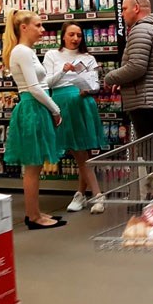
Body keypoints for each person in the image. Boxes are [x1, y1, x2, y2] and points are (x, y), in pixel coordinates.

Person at [2, 10, 66, 230]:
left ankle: (35, 212)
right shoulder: (22, 51)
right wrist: (55, 109)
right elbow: (34, 88)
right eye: (38, 25)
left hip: (35, 107)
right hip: (33, 108)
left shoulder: (25, 51)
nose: (42, 30)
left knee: (35, 165)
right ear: (23, 27)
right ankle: (33, 217)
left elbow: (40, 84)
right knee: (33, 166)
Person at [43, 21, 106, 214]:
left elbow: (96, 85)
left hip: (82, 102)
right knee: (80, 153)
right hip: (62, 102)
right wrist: (63, 70)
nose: (75, 38)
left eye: (79, 35)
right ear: (63, 36)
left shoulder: (88, 58)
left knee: (82, 151)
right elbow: (47, 83)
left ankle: (87, 195)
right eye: (71, 34)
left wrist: (89, 89)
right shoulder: (52, 55)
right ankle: (93, 194)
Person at [104, 0, 153, 138]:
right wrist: (123, 81)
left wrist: (110, 77)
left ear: (136, 8)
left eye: (124, 9)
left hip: (145, 102)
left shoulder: (141, 29)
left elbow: (136, 67)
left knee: (147, 148)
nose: (122, 14)